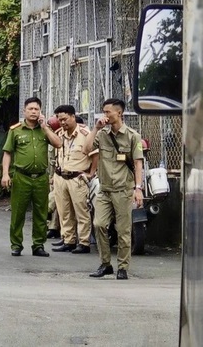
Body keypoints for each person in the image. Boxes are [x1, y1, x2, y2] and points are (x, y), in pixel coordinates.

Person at [84, 98, 143, 280]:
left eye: (108, 112)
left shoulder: (133, 136)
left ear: (119, 113)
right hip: (105, 189)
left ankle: (123, 267)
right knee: (98, 224)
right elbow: (86, 149)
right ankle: (105, 264)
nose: (105, 115)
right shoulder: (102, 134)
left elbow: (138, 162)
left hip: (124, 189)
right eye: (104, 112)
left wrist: (138, 188)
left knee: (123, 230)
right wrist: (95, 128)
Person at [1, 97, 62, 257]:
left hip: (41, 177)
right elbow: (7, 153)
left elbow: (58, 143)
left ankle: (38, 245)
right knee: (18, 212)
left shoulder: (45, 129)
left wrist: (46, 127)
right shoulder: (16, 130)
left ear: (40, 111)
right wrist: (5, 174)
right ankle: (16, 244)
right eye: (31, 109)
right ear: (25, 111)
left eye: (37, 109)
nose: (34, 112)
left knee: (41, 213)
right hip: (22, 177)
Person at [51, 105, 95, 254]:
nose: (62, 122)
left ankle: (84, 242)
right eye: (59, 119)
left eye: (64, 119)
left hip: (77, 177)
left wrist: (91, 173)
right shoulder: (59, 134)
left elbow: (95, 154)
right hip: (61, 176)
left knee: (81, 211)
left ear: (73, 116)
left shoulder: (85, 134)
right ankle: (68, 240)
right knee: (64, 211)